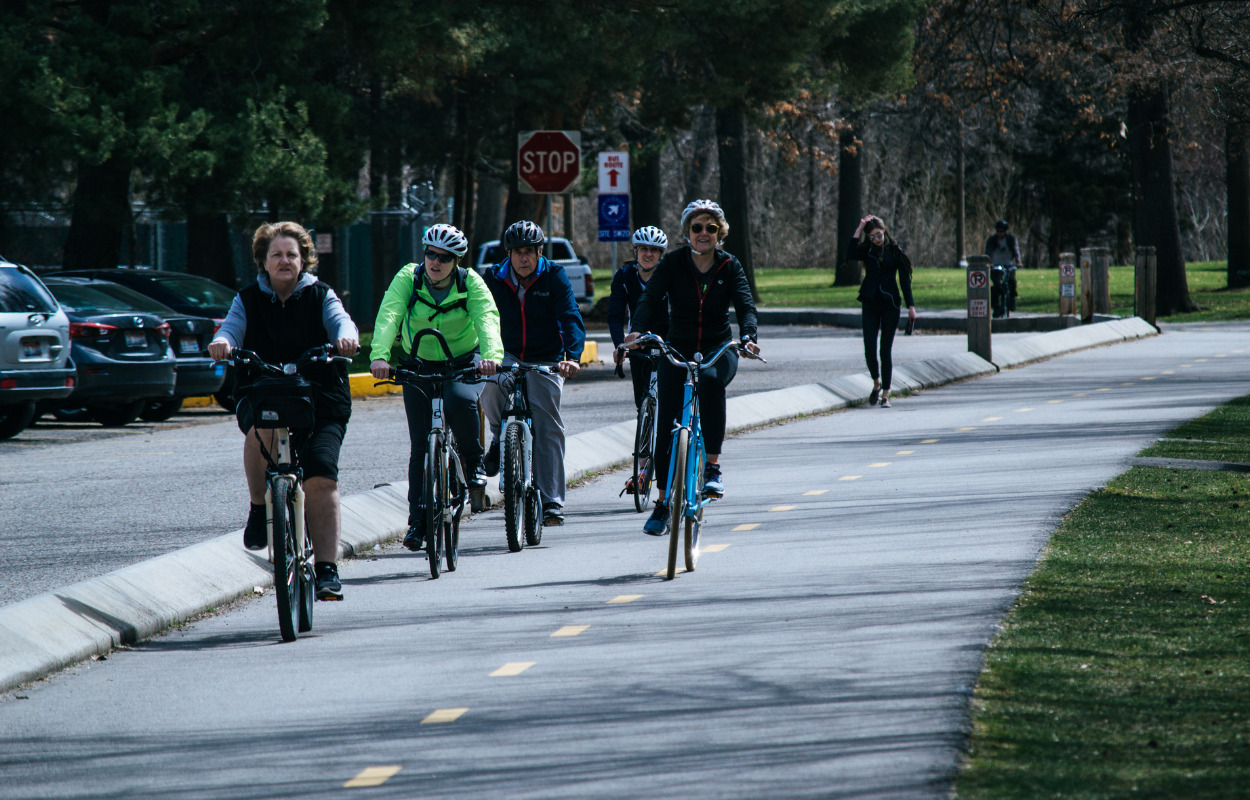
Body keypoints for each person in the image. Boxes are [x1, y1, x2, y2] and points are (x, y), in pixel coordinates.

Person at [209, 221, 359, 601]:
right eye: (276, 254)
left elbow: (341, 321)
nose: (285, 260)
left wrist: (346, 338)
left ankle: (327, 569)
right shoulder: (247, 299)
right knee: (262, 429)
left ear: (304, 260)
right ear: (263, 260)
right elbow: (231, 328)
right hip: (264, 393)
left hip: (321, 399)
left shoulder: (321, 294)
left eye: (292, 254)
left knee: (321, 479)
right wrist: (222, 342)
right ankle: (260, 508)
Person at [625, 199, 760, 536]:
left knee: (712, 383)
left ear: (720, 233)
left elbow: (745, 304)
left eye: (710, 228)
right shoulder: (672, 264)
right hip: (678, 346)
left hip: (718, 348)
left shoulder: (730, 266)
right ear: (687, 232)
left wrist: (748, 336)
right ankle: (661, 504)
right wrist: (637, 330)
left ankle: (712, 468)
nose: (703, 233)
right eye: (697, 227)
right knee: (668, 419)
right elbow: (650, 298)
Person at [369, 223, 503, 552]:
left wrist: (491, 356)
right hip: (418, 363)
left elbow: (487, 318)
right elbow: (390, 314)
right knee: (419, 446)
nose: (436, 262)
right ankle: (416, 521)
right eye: (431, 254)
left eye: (445, 257)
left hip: (462, 361)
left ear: (456, 260)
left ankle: (473, 464)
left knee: (460, 401)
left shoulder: (470, 282)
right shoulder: (408, 278)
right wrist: (380, 356)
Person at [479, 220, 585, 527]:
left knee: (547, 423)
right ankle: (500, 438)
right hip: (506, 352)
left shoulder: (554, 275)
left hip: (546, 356)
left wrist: (573, 358)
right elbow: (483, 317)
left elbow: (570, 316)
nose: (523, 258)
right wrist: (486, 355)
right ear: (508, 254)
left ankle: (551, 500)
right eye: (517, 252)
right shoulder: (494, 277)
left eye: (530, 251)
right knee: (491, 384)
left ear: (539, 252)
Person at [609, 225, 671, 496]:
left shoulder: (671, 275)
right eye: (643, 249)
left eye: (654, 250)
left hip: (670, 341)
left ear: (661, 254)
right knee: (643, 407)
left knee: (671, 407)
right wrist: (620, 344)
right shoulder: (624, 276)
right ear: (635, 251)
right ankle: (643, 471)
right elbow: (614, 315)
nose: (648, 254)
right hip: (638, 343)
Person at [848, 214, 915, 409]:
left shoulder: (895, 252)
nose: (877, 239)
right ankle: (876, 382)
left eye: (879, 234)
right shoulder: (866, 251)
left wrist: (911, 307)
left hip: (890, 304)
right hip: (870, 302)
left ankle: (886, 393)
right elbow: (850, 253)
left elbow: (904, 281)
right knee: (869, 348)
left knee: (885, 350)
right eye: (872, 237)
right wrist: (858, 230)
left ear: (884, 230)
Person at [986, 219, 1021, 317]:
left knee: (1012, 281)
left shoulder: (1011, 239)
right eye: (998, 231)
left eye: (1001, 231)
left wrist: (1018, 262)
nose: (999, 233)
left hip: (1008, 264)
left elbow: (1015, 250)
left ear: (1006, 231)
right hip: (996, 265)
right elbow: (988, 252)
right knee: (996, 285)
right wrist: (990, 263)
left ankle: (1012, 299)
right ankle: (996, 307)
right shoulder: (992, 240)